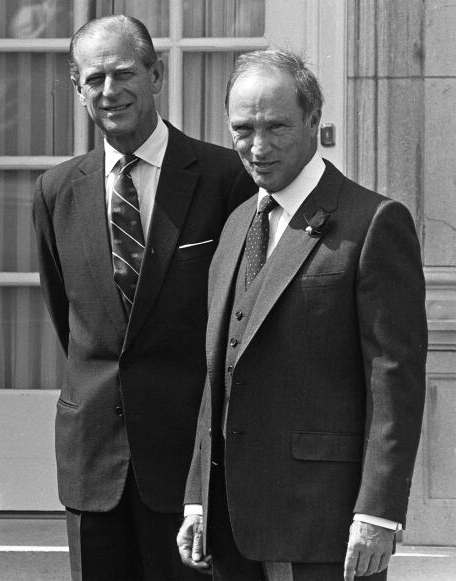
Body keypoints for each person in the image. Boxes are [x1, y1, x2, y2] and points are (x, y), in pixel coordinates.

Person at [176, 48, 427, 581]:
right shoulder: (238, 221)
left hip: (328, 521)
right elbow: (218, 370)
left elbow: (395, 380)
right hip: (230, 522)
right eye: (242, 129)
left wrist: (378, 513)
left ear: (314, 120)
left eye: (277, 127)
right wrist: (198, 499)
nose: (257, 147)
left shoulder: (374, 222)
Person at [32, 15, 255, 580]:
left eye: (125, 73)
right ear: (77, 88)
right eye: (95, 78)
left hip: (189, 462)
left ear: (156, 74)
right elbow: (72, 319)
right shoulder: (56, 190)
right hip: (92, 461)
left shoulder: (225, 177)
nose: (111, 91)